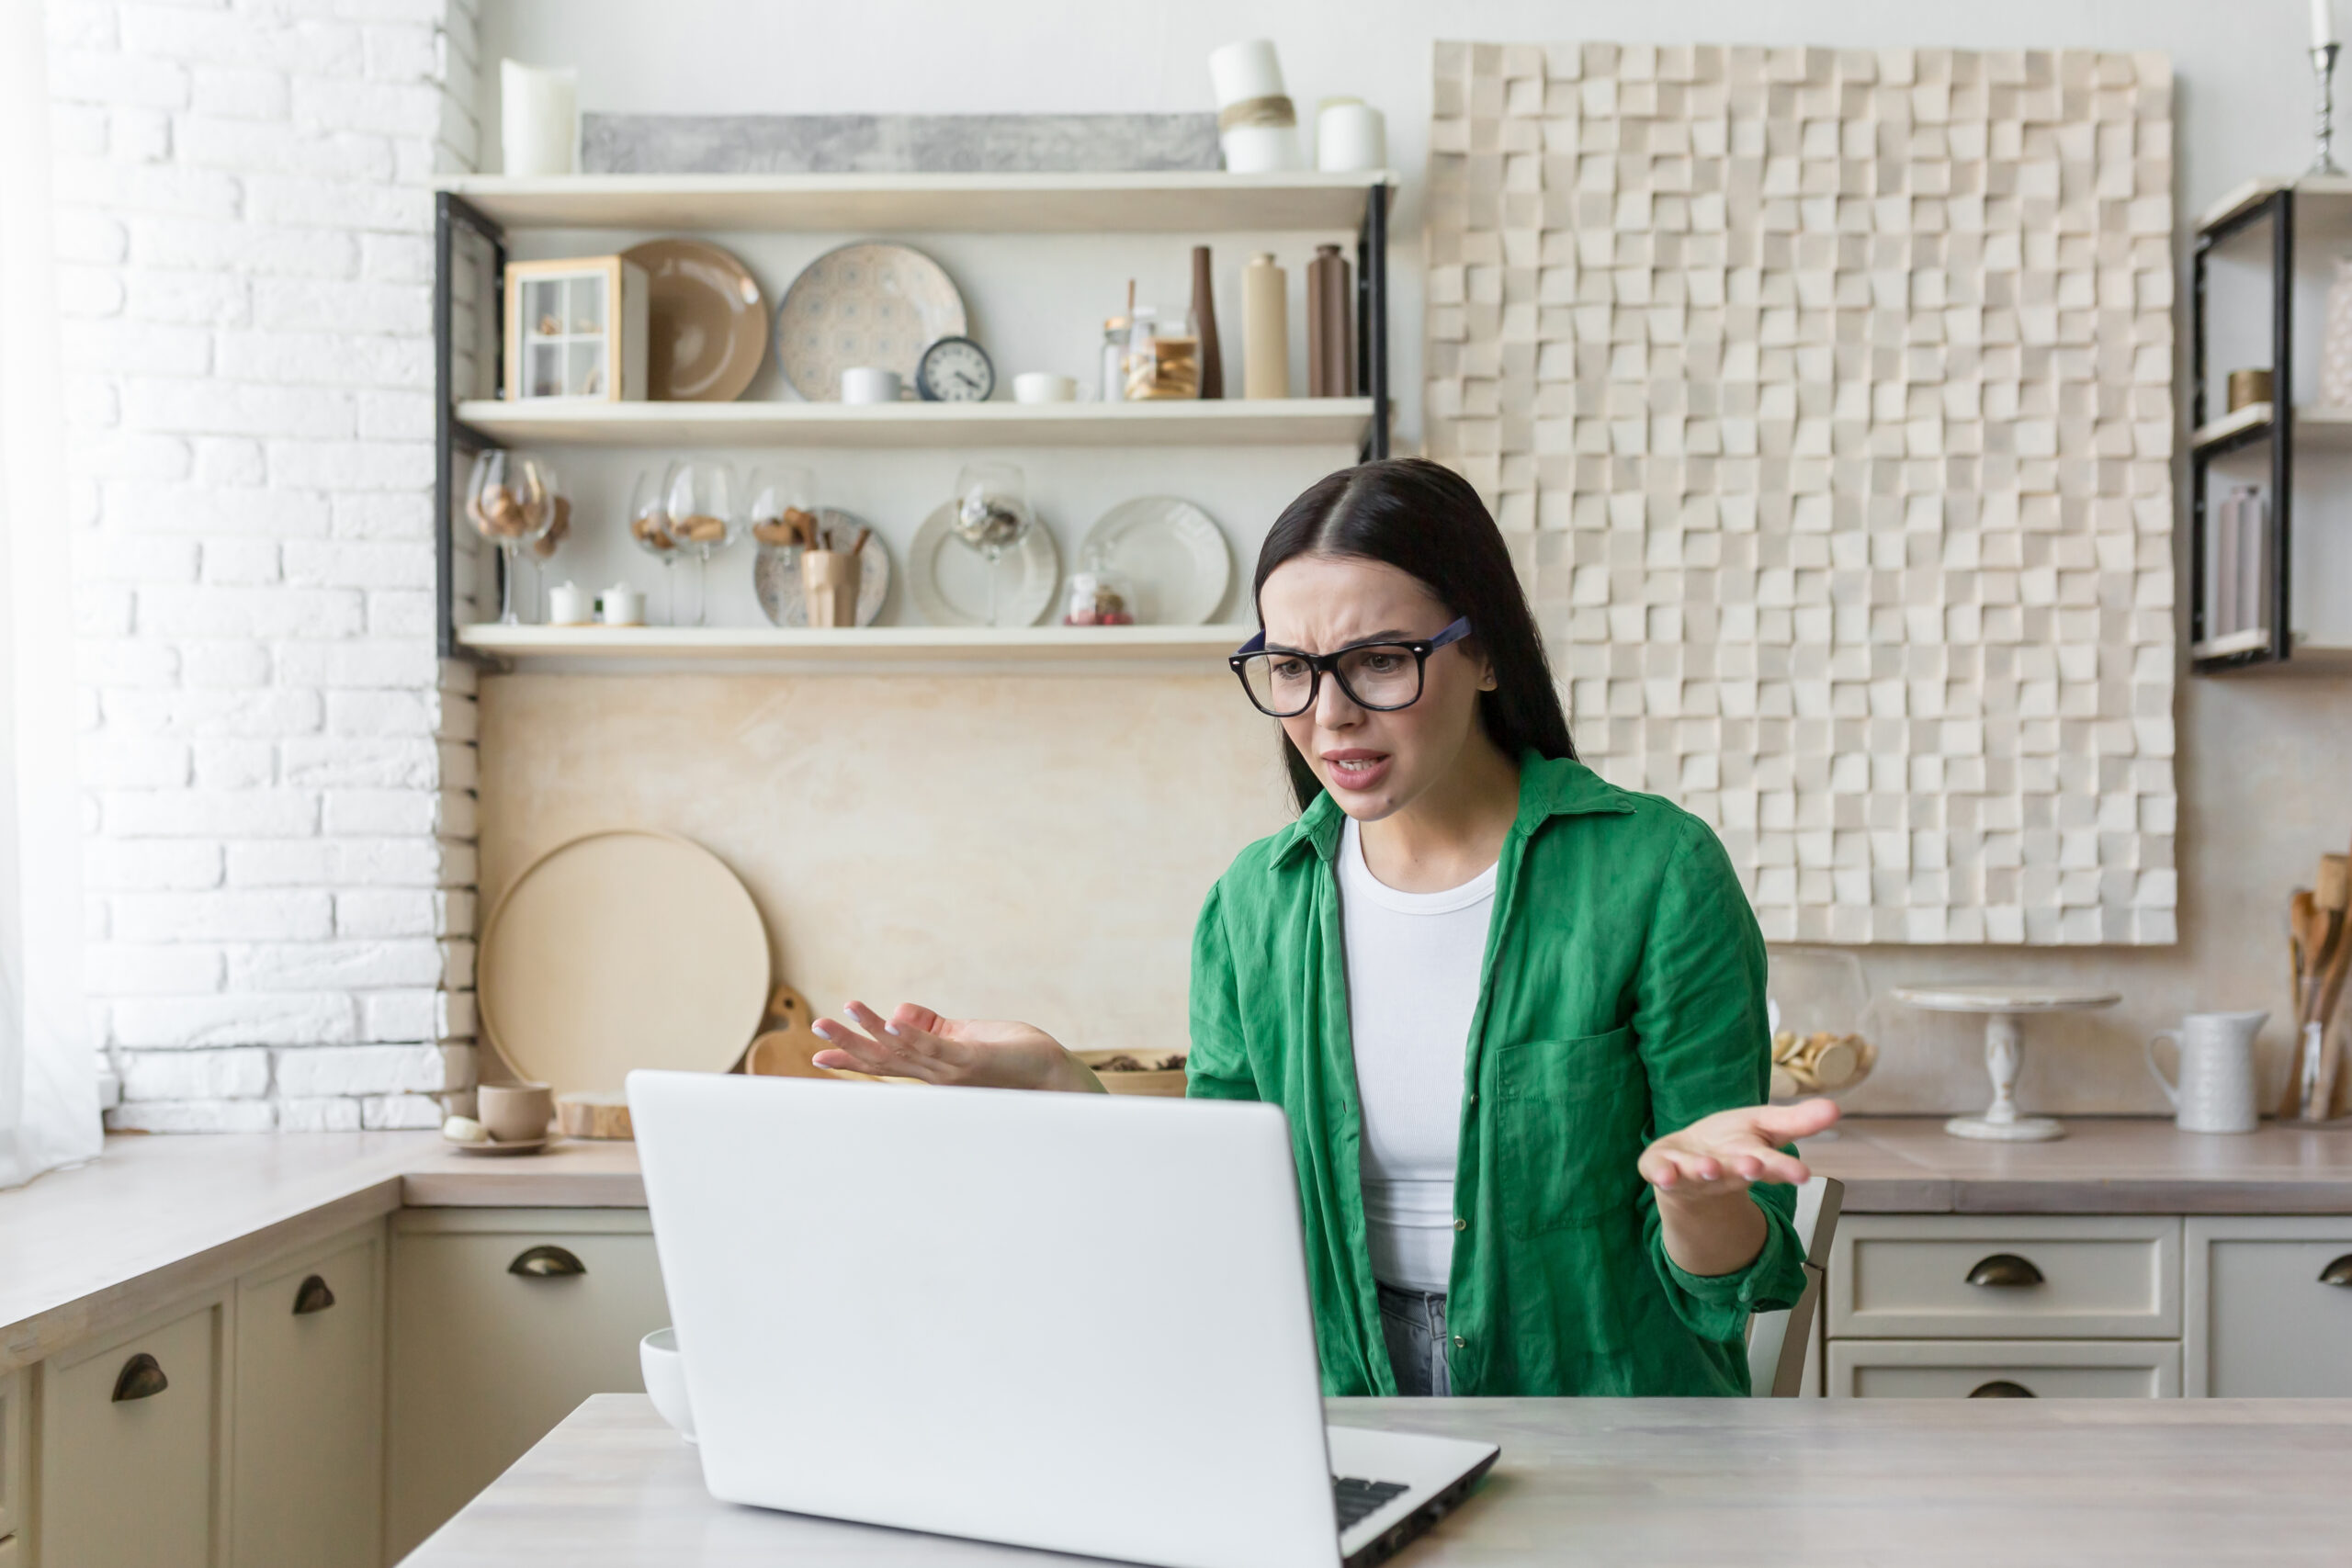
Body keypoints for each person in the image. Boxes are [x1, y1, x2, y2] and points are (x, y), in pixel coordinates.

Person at [811, 457, 1838, 1397]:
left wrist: (1694, 1200)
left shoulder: (1655, 873)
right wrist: (1059, 1086)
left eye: (1379, 660)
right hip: (1338, 1411)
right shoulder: (1253, 905)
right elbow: (1222, 1225)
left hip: (1610, 1427)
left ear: (1483, 654)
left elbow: (1731, 1289)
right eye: (1291, 667)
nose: (1329, 715)